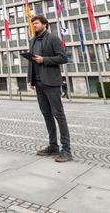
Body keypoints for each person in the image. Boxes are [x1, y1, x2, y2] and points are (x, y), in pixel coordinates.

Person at [27, 15, 72, 163]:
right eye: (33, 24)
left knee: (59, 115)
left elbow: (63, 58)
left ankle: (66, 150)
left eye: (37, 23)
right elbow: (31, 62)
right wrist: (30, 79)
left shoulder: (53, 38)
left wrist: (44, 60)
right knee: (46, 114)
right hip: (38, 83)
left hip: (51, 82)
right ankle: (53, 146)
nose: (34, 25)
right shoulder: (32, 40)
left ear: (45, 24)